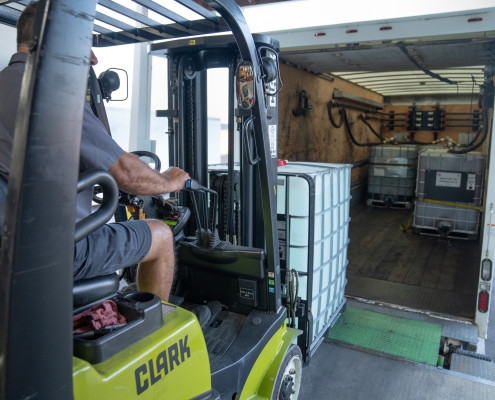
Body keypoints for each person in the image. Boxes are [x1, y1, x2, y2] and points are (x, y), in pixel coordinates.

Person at [0, 2, 190, 302]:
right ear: (55, 38)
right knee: (162, 236)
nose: (92, 57)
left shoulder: (5, 84)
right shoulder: (52, 94)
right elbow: (126, 173)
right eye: (83, 42)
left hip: (13, 241)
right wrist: (170, 181)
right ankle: (153, 331)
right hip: (57, 248)